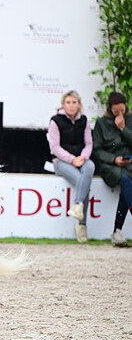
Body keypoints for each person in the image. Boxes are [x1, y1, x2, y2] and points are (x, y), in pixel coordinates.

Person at [47, 90, 94, 243]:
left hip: (81, 159)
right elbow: (55, 147)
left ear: (79, 104)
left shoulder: (84, 120)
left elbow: (89, 143)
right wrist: (73, 159)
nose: (71, 105)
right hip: (61, 161)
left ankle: (77, 205)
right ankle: (82, 225)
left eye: (74, 102)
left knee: (90, 167)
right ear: (63, 104)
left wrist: (83, 157)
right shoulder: (55, 121)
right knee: (83, 182)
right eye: (68, 102)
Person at [92, 91, 132, 247]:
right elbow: (97, 149)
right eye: (116, 111)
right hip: (110, 166)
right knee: (125, 180)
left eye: (122, 110)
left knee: (127, 186)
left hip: (129, 163)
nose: (120, 113)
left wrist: (123, 128)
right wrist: (113, 159)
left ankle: (117, 232)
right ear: (110, 109)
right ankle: (117, 232)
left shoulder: (130, 119)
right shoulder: (101, 123)